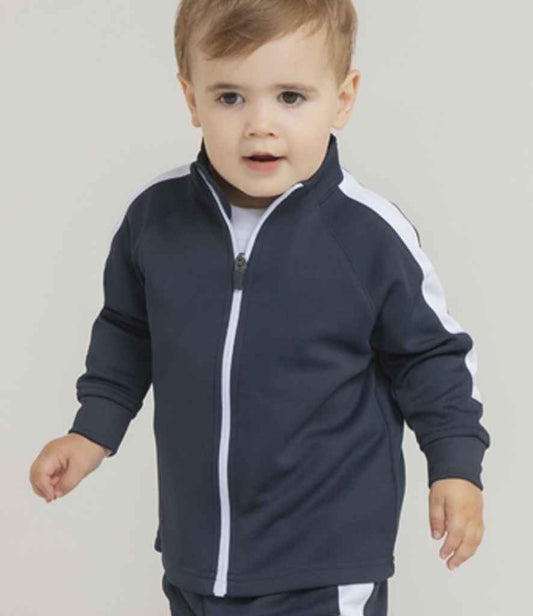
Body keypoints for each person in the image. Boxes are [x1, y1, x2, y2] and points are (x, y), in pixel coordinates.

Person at [29, 1, 491, 614]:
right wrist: (92, 431)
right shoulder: (157, 221)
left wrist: (455, 464)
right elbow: (127, 333)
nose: (260, 125)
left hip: (323, 564)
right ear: (191, 99)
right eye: (230, 98)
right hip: (197, 561)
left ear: (343, 100)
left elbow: (432, 358)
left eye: (291, 97)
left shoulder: (368, 237)